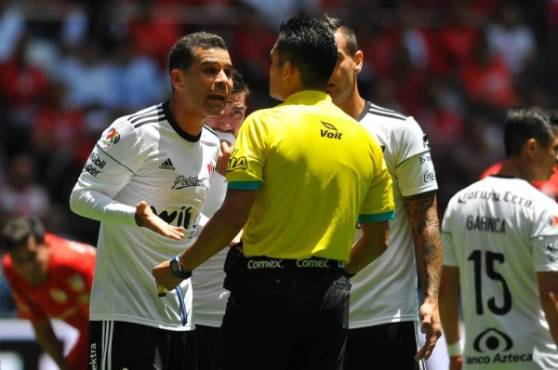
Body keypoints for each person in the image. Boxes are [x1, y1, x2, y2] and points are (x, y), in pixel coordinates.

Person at [153, 16, 395, 370]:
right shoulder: (365, 139)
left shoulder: (263, 124)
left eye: (272, 60)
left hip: (266, 291)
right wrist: (335, 277)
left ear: (289, 69)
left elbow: (234, 214)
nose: (268, 69)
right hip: (331, 297)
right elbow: (378, 240)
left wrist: (181, 266)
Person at [69, 32, 233, 370]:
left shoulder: (214, 145)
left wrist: (226, 233)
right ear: (178, 79)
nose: (222, 81)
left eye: (227, 72)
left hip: (180, 316)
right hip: (125, 312)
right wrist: (137, 217)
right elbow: (81, 197)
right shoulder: (134, 131)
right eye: (209, 70)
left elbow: (184, 221)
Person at [325, 17, 442, 370]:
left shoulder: (398, 130)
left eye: (335, 60)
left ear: (358, 60)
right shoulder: (290, 134)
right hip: (316, 316)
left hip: (387, 318)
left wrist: (431, 298)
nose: (326, 72)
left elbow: (426, 219)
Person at [439, 107, 558, 370]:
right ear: (532, 148)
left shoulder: (459, 203)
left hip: (479, 359)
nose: (557, 159)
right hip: (537, 359)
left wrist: (454, 351)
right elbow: (550, 293)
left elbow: (446, 288)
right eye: (555, 149)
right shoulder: (543, 208)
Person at [192, 69, 250, 370]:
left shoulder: (261, 158)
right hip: (183, 308)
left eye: (237, 112)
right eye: (219, 113)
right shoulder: (182, 155)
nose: (227, 123)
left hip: (240, 310)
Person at [1, 218, 96, 370]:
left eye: (32, 257)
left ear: (45, 245)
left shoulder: (76, 265)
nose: (28, 267)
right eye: (19, 261)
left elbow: (114, 317)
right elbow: (41, 326)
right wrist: (64, 365)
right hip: (90, 330)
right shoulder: (11, 270)